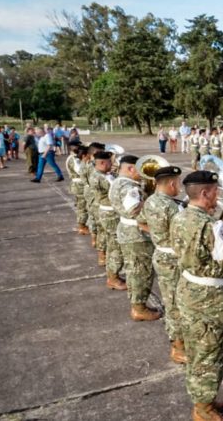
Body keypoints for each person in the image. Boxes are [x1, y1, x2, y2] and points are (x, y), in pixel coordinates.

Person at [171, 170, 223, 421]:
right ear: (204, 193)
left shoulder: (180, 216)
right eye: (216, 190)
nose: (219, 195)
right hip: (207, 296)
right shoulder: (209, 224)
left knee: (197, 349)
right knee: (210, 352)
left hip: (188, 288)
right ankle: (203, 410)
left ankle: (205, 397)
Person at [141, 165, 187, 364]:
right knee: (175, 304)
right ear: (171, 183)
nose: (179, 187)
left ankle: (180, 342)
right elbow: (185, 233)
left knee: (172, 300)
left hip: (161, 254)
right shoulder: (171, 207)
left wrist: (159, 238)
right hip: (173, 259)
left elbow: (140, 222)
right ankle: (178, 347)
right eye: (177, 183)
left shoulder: (150, 200)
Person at [110, 154, 161, 321]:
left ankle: (137, 304)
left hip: (128, 231)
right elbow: (133, 209)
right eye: (140, 169)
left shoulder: (118, 182)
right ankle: (139, 308)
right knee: (141, 272)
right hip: (137, 235)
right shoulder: (128, 187)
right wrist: (152, 205)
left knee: (134, 271)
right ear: (131, 168)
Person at [90, 150, 128, 290]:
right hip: (110, 214)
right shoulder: (101, 178)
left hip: (107, 212)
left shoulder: (102, 175)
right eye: (109, 162)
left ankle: (113, 274)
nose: (112, 164)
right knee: (116, 247)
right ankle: (113, 278)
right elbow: (118, 190)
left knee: (112, 244)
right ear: (102, 162)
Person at [66, 141, 90, 235]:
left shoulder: (75, 158)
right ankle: (82, 226)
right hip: (79, 185)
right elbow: (81, 171)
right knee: (82, 206)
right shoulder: (74, 159)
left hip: (80, 185)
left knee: (83, 205)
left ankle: (83, 224)